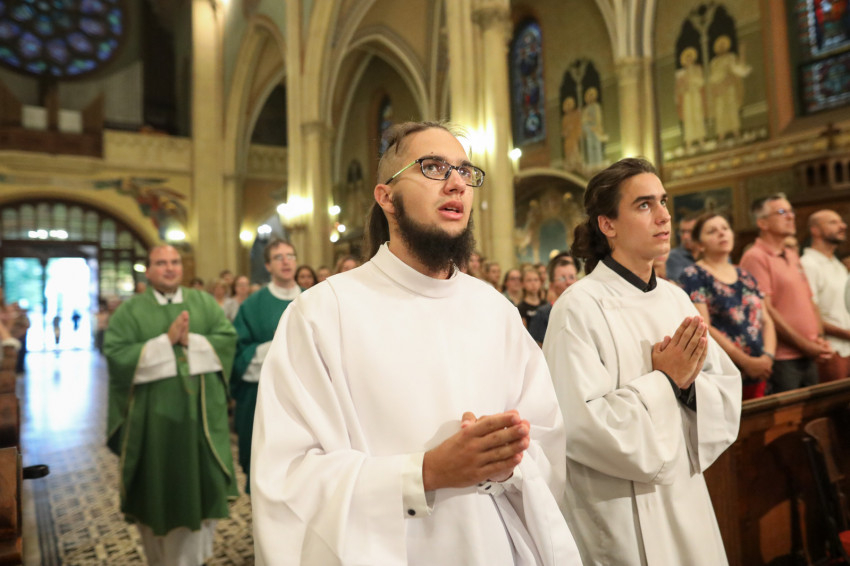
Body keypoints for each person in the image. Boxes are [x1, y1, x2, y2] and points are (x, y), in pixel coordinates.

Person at [251, 121, 580, 565]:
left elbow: (546, 441)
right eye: (434, 167)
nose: (457, 183)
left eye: (465, 171)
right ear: (386, 197)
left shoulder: (495, 310)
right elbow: (288, 479)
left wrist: (507, 461)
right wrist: (423, 474)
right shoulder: (321, 314)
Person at [543, 157, 741, 565]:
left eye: (663, 201)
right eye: (644, 205)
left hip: (684, 492)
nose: (664, 216)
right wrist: (666, 381)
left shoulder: (675, 298)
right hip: (620, 506)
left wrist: (687, 387)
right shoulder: (578, 307)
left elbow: (723, 385)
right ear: (608, 224)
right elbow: (580, 425)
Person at [104, 244, 238, 566]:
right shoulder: (130, 311)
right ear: (148, 270)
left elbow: (227, 340)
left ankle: (194, 559)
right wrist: (165, 342)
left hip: (199, 424)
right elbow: (117, 356)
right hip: (153, 427)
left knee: (201, 493)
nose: (169, 268)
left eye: (175, 262)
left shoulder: (203, 303)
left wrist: (191, 340)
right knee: (157, 495)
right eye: (161, 263)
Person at [740, 194, 832, 393]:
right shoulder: (755, 256)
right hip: (783, 358)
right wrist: (805, 345)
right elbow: (766, 310)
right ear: (762, 223)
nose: (790, 216)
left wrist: (819, 338)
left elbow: (810, 300)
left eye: (791, 211)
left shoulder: (791, 254)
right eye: (782, 212)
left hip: (809, 353)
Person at [680, 213, 776, 399]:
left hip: (762, 369)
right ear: (700, 244)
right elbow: (704, 326)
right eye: (712, 231)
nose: (721, 233)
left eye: (725, 228)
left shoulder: (745, 275)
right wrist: (746, 362)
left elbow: (766, 320)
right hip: (727, 371)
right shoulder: (694, 275)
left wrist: (768, 358)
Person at [231, 238, 301, 492]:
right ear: (268, 266)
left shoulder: (312, 298)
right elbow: (239, 355)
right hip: (263, 398)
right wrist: (279, 345)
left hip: (305, 399)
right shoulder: (252, 305)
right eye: (278, 257)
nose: (286, 262)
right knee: (265, 466)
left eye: (290, 256)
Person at [801, 210, 850, 382]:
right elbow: (809, 313)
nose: (842, 226)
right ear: (815, 230)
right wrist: (845, 333)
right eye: (833, 222)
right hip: (831, 349)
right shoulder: (808, 264)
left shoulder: (837, 264)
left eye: (841, 222)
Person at [529, 252, 580, 345]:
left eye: (572, 277)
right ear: (552, 285)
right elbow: (535, 347)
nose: (568, 282)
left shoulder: (583, 310)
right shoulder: (542, 314)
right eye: (562, 278)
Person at [666, 211, 700, 283]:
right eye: (682, 232)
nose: (685, 237)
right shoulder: (673, 257)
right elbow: (682, 284)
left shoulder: (711, 254)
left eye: (690, 231)